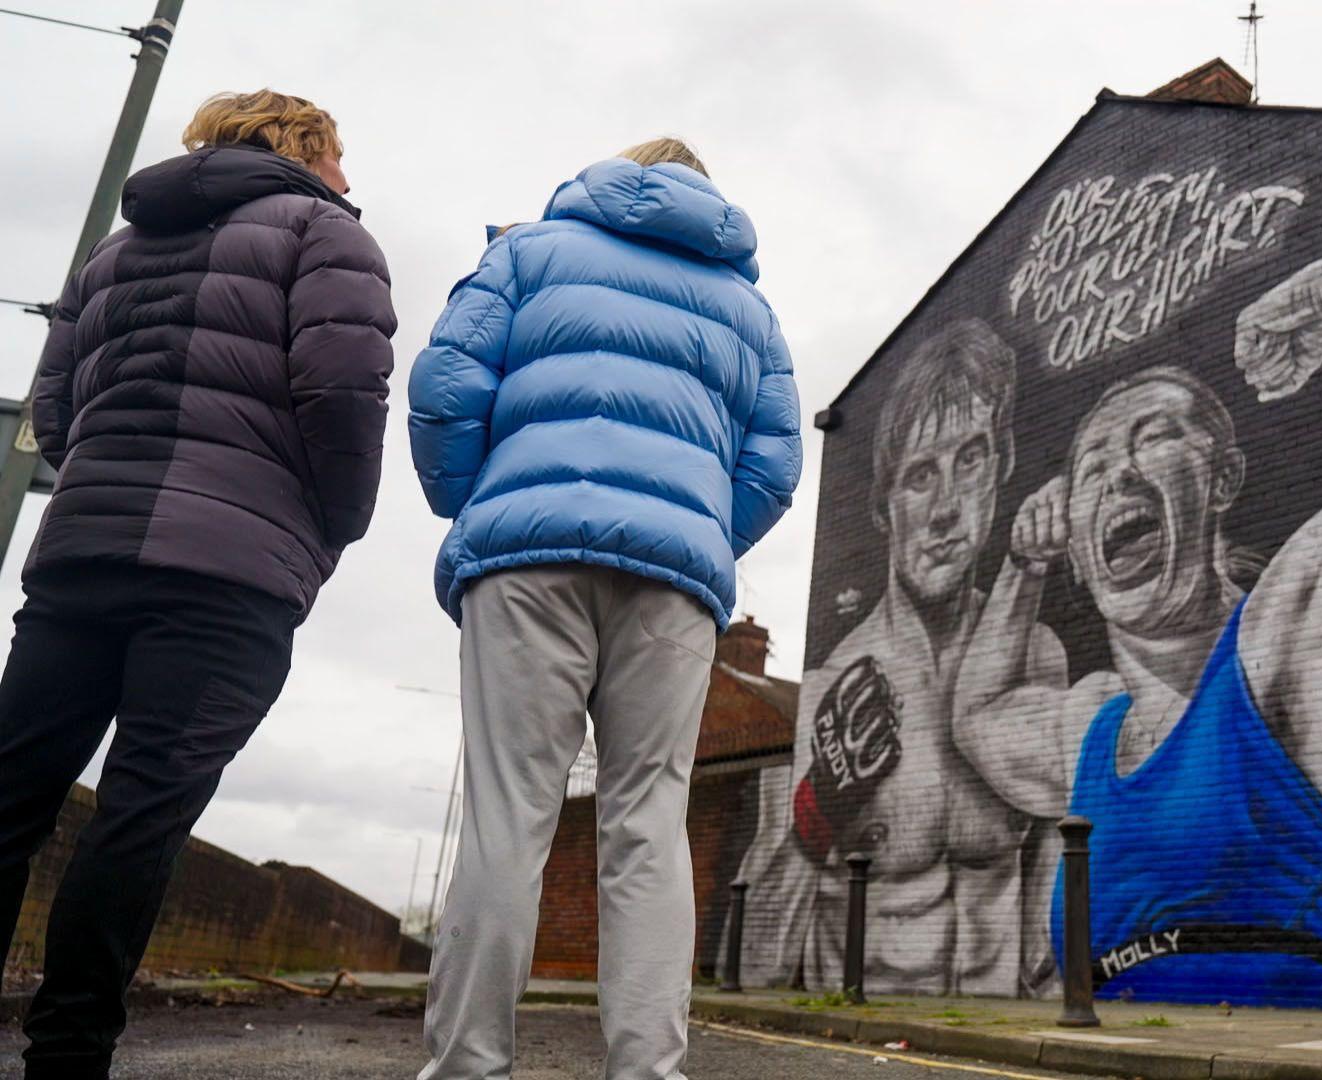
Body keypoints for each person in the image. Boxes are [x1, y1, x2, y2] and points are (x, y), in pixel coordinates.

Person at [953, 226, 1322, 1008]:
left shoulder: (1301, 628)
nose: (1118, 469)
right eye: (1089, 468)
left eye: (1153, 437)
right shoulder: (1089, 734)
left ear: (1223, 479)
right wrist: (1021, 566)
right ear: (1079, 555)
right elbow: (977, 716)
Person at [0, 89, 395, 1077]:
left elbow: (53, 406)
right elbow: (344, 395)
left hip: (84, 551)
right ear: (307, 149)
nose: (352, 181)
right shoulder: (325, 231)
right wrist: (334, 525)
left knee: (11, 795)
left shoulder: (111, 250)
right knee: (142, 814)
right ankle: (68, 1054)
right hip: (228, 575)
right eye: (342, 158)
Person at [409, 138, 801, 1080]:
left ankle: (467, 1065)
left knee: (509, 818)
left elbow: (445, 387)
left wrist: (482, 502)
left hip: (525, 559)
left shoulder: (528, 254)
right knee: (650, 822)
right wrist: (691, 529)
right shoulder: (749, 310)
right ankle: (646, 1072)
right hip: (673, 582)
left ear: (613, 178)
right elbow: (774, 465)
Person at [735, 320, 1066, 997]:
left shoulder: (1034, 659)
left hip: (990, 1040)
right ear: (885, 509)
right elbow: (756, 966)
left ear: (1001, 466)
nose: (947, 508)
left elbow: (1049, 921)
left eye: (969, 459)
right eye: (920, 476)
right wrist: (820, 806)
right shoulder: (833, 693)